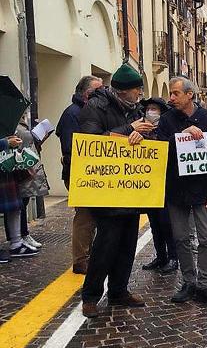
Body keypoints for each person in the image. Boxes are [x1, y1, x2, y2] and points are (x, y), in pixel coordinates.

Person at [78, 63, 155, 318]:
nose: (140, 94)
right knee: (105, 245)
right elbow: (92, 143)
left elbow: (143, 139)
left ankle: (118, 290)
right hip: (107, 189)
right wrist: (128, 131)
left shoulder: (134, 110)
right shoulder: (95, 108)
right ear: (123, 91)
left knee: (127, 244)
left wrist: (141, 136)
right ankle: (90, 296)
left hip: (130, 189)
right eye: (136, 89)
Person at [158, 77, 207, 305]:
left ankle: (204, 285)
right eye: (171, 93)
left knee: (206, 238)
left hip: (203, 191)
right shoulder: (167, 120)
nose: (171, 97)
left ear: (190, 95)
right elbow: (161, 152)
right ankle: (189, 281)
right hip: (177, 191)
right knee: (181, 239)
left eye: (176, 93)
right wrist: (182, 137)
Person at [56, 75, 102, 274]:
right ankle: (81, 260)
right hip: (79, 172)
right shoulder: (72, 114)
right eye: (98, 91)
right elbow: (71, 147)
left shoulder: (83, 111)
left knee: (91, 216)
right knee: (85, 216)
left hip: (87, 171)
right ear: (87, 94)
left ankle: (87, 255)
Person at [138, 97, 177, 275]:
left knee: (166, 223)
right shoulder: (140, 128)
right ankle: (160, 256)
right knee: (154, 223)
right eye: (149, 109)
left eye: (155, 109)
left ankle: (173, 257)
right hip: (148, 184)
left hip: (166, 183)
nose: (151, 112)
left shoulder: (168, 127)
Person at [3, 115, 47, 253]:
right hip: (9, 165)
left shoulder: (17, 120)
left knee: (16, 206)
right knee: (16, 205)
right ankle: (17, 240)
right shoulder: (10, 122)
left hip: (13, 166)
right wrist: (6, 143)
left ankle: (19, 240)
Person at [0, 135, 38, 262]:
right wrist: (5, 142)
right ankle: (16, 243)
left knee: (15, 207)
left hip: (6, 166)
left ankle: (16, 244)